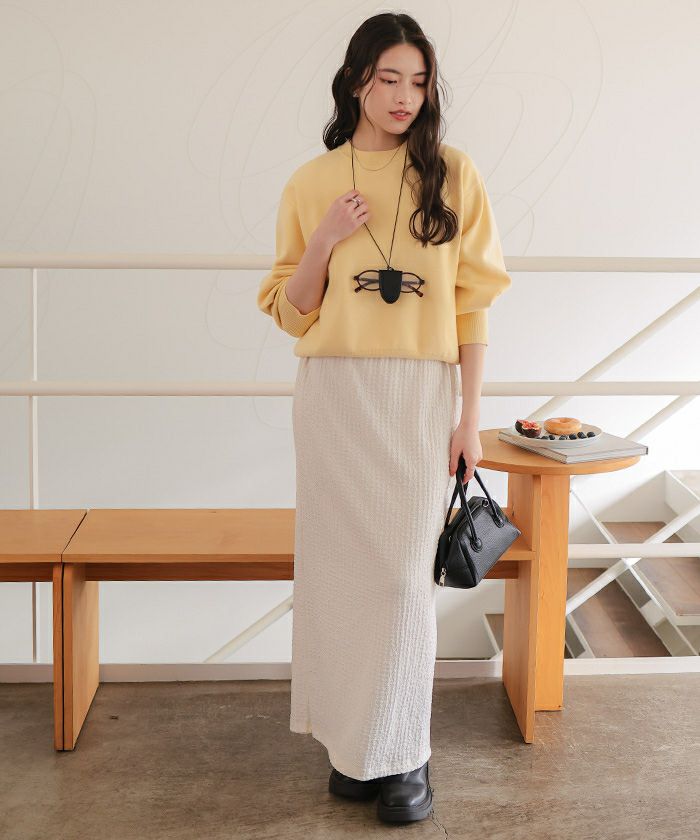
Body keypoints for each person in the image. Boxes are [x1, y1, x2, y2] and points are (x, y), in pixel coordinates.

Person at [257, 12, 512, 825]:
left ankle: (405, 755)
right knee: (340, 581)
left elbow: (471, 305)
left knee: (404, 583)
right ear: (356, 81)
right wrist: (326, 239)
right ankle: (355, 750)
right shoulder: (311, 182)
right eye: (389, 78)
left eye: (419, 81)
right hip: (335, 396)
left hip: (418, 396)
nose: (406, 96)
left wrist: (470, 416)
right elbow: (291, 310)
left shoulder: (454, 175)